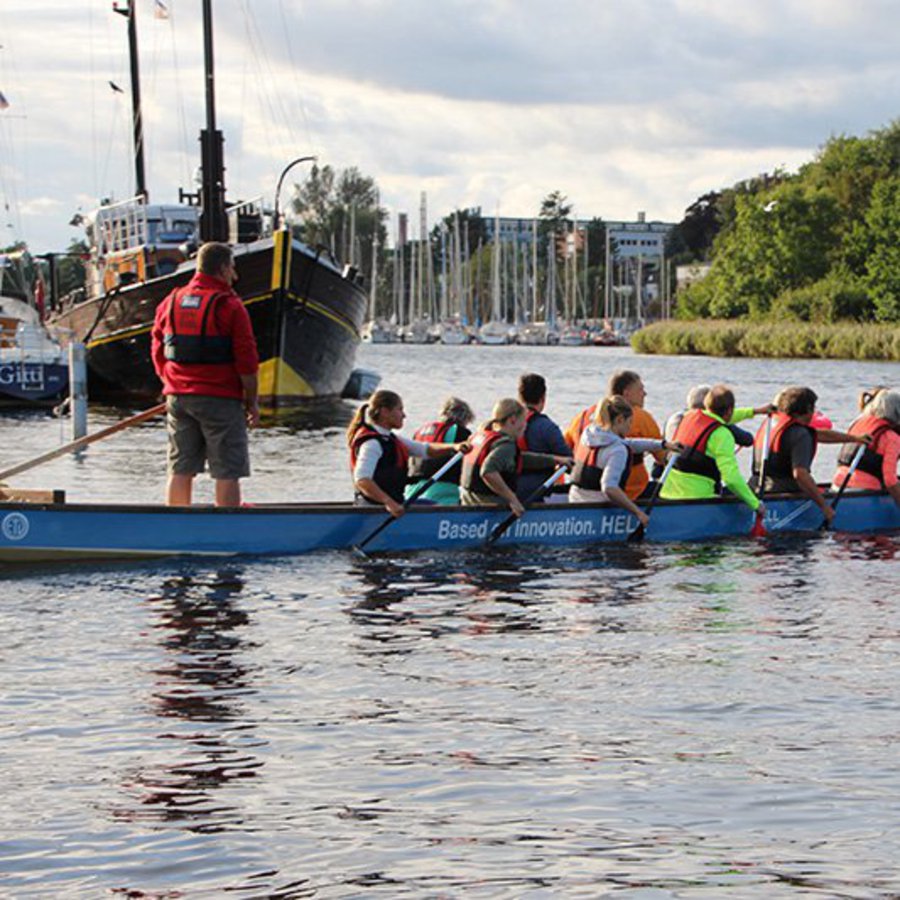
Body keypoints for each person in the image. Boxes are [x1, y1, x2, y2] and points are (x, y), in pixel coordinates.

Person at [150, 241, 259, 507]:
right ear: (222, 269)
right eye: (232, 268)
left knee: (180, 467)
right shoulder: (230, 306)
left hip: (178, 397)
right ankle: (226, 530)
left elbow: (157, 350)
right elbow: (247, 360)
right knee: (227, 471)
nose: (235, 276)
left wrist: (171, 383)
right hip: (219, 398)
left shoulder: (170, 301)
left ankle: (175, 525)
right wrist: (251, 401)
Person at [751, 385, 868, 526]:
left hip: (755, 487)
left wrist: (855, 439)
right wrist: (824, 507)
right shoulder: (799, 434)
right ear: (808, 409)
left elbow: (818, 434)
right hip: (781, 492)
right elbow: (800, 475)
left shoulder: (774, 424)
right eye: (813, 408)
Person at [348, 390, 469, 517]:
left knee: (432, 506)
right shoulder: (372, 443)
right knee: (434, 511)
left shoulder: (391, 439)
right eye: (400, 409)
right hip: (375, 508)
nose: (404, 415)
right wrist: (389, 502)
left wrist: (455, 447)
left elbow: (425, 450)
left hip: (392, 504)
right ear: (384, 412)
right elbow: (362, 480)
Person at [569, 395, 678, 528]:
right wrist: (638, 512)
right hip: (597, 511)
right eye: (629, 422)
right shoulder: (617, 450)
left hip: (575, 501)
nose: (630, 427)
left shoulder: (589, 435)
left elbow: (629, 443)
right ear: (620, 420)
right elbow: (609, 487)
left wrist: (663, 444)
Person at [660, 384, 766, 515]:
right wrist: (755, 504)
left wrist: (754, 412)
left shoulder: (689, 416)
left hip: (666, 493)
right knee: (738, 489)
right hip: (699, 500)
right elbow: (731, 479)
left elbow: (721, 416)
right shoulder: (722, 434)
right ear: (728, 411)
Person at [460, 398, 572, 516]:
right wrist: (512, 499)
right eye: (523, 421)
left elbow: (518, 458)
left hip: (468, 504)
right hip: (488, 510)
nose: (526, 425)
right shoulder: (505, 444)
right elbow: (488, 472)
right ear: (512, 421)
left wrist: (555, 460)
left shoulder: (479, 437)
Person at [832, 388, 900, 508]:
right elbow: (890, 480)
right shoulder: (891, 437)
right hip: (865, 490)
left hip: (837, 485)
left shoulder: (856, 425)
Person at [405, 396, 475, 505]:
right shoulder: (459, 432)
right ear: (464, 418)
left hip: (411, 489)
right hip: (443, 491)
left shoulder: (419, 431)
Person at [515, 373, 572, 502]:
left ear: (519, 397)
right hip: (537, 493)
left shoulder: (507, 422)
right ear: (543, 398)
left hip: (507, 490)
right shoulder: (547, 427)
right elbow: (570, 463)